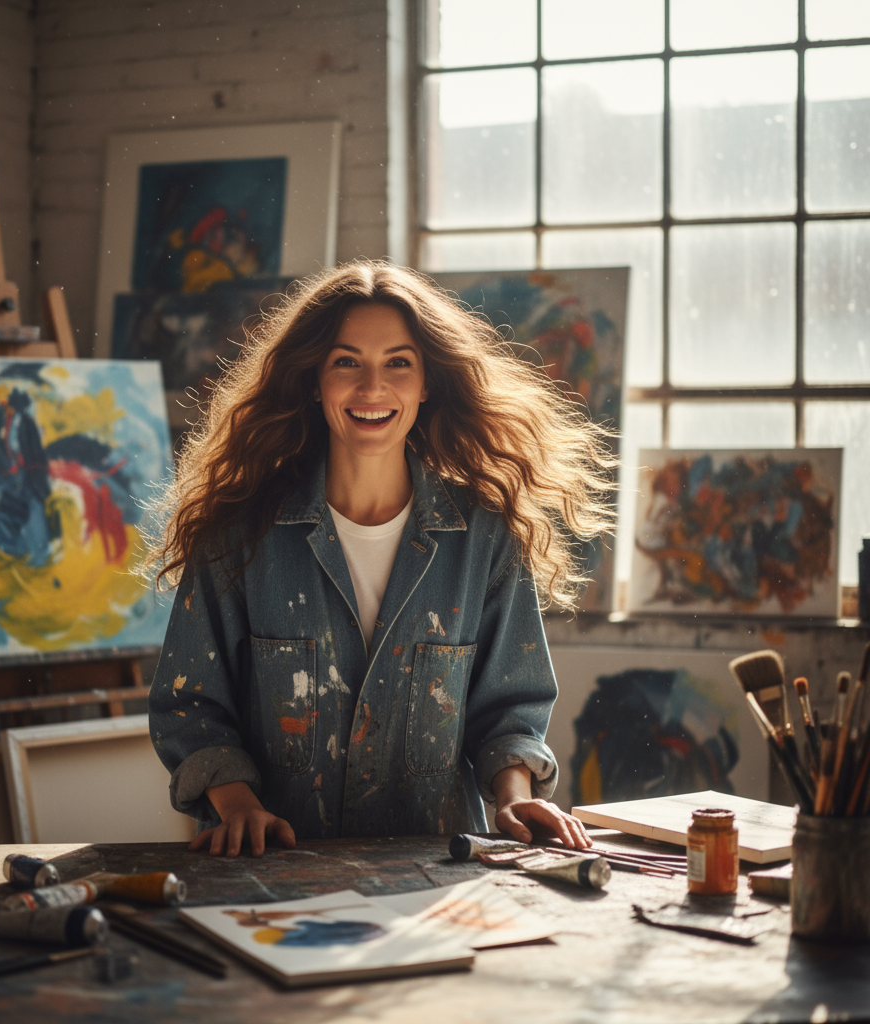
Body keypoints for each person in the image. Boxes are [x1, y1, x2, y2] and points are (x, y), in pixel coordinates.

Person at [148, 261, 616, 857]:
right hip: (271, 877)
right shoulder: (238, 536)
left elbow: (508, 710)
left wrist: (514, 794)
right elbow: (191, 706)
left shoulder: (485, 538)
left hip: (435, 880)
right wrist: (239, 807)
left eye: (398, 362)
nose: (373, 388)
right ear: (314, 379)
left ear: (427, 383)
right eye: (347, 362)